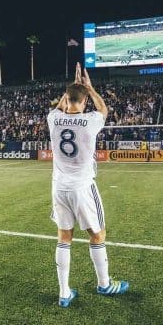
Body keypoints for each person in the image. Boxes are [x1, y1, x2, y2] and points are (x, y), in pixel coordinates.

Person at [47, 63, 129, 308]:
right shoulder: (92, 120)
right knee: (97, 234)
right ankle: (104, 284)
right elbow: (104, 109)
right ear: (84, 102)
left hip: (59, 187)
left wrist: (72, 89)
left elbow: (64, 105)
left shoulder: (53, 118)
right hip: (82, 187)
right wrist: (90, 88)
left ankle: (64, 293)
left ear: (67, 99)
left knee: (64, 237)